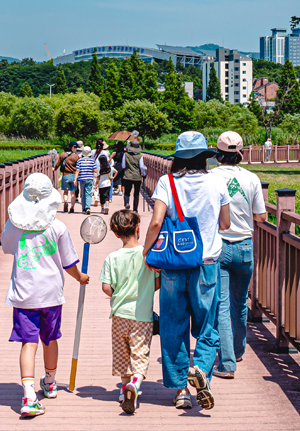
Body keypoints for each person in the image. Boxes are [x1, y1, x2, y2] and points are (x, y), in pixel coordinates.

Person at [146, 131, 231, 411]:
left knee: (173, 325)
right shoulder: (217, 182)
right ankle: (203, 371)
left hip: (173, 265)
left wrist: (146, 253)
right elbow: (226, 224)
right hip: (207, 263)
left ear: (179, 157)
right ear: (204, 157)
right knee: (208, 324)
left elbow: (156, 222)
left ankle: (181, 390)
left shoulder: (166, 182)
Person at [1, 172, 90, 418]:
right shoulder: (58, 227)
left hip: (24, 294)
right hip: (50, 294)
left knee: (28, 343)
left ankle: (29, 395)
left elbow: (7, 247)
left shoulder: (13, 224)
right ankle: (50, 383)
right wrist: (80, 277)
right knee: (50, 338)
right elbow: (68, 262)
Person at [209, 131, 267, 378]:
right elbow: (261, 216)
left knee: (221, 304)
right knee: (239, 301)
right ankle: (238, 350)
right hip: (244, 245)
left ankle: (227, 363)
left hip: (219, 245)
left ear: (217, 152)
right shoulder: (252, 178)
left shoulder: (209, 177)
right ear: (241, 153)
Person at [98, 209, 157, 414]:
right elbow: (157, 281)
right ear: (138, 228)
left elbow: (106, 287)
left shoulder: (112, 258)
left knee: (123, 354)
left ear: (116, 234)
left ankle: (124, 390)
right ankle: (136, 384)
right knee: (140, 354)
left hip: (119, 313)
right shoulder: (147, 256)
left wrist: (116, 293)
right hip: (142, 314)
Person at [118, 142, 147, 214]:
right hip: (137, 177)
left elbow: (123, 166)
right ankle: (135, 210)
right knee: (136, 194)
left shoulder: (126, 154)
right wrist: (144, 174)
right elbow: (141, 167)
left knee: (127, 192)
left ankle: (127, 204)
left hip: (127, 176)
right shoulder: (140, 156)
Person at [74, 142, 98, 215]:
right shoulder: (92, 161)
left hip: (81, 179)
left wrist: (75, 179)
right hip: (89, 179)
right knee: (88, 194)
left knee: (83, 194)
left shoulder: (79, 161)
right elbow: (95, 170)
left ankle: (83, 208)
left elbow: (77, 171)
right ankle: (88, 207)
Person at [58, 143, 81, 213]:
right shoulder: (76, 156)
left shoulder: (62, 154)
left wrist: (54, 169)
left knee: (65, 192)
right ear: (72, 147)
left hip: (65, 175)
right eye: (76, 148)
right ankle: (72, 208)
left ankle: (65, 202)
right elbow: (78, 166)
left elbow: (58, 164)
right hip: (73, 176)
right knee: (73, 193)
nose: (76, 149)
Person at [95, 140, 115, 210]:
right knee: (107, 196)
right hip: (108, 184)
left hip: (101, 184)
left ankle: (102, 208)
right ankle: (107, 206)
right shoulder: (110, 167)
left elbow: (97, 177)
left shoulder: (99, 168)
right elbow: (116, 171)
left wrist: (96, 185)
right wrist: (113, 177)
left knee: (102, 196)